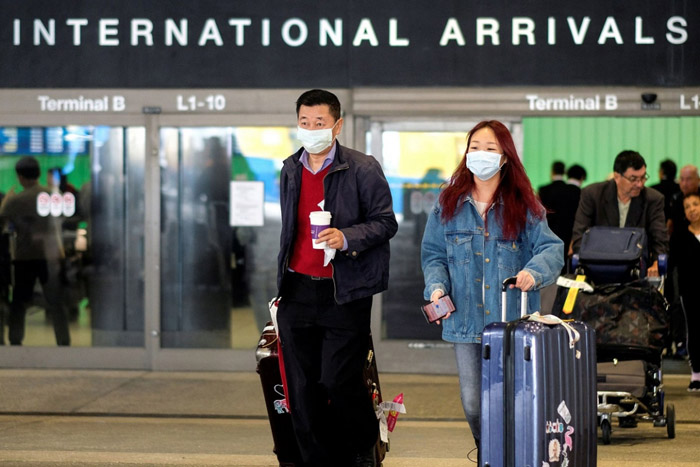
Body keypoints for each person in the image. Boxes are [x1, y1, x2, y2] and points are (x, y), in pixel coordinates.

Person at [421, 120, 563, 460]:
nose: (479, 154)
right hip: (465, 322)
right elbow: (433, 255)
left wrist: (533, 271)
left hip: (512, 323)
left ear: (504, 158)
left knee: (513, 401)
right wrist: (437, 288)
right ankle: (491, 452)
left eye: (489, 148)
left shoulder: (525, 206)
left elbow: (552, 249)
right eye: (474, 147)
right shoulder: (448, 203)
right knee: (473, 402)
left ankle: (508, 456)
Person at [276, 89, 398, 467]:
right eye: (304, 122)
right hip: (296, 288)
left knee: (338, 381)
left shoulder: (362, 167)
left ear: (337, 125)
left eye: (320, 123)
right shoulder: (290, 168)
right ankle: (317, 460)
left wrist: (347, 237)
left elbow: (385, 223)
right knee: (301, 389)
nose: (311, 129)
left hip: (344, 291)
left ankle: (363, 450)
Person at [0, 156, 70, 346]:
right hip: (51, 256)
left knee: (19, 303)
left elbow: (1, 222)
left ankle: (15, 341)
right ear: (38, 173)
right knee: (56, 303)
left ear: (20, 176)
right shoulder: (52, 195)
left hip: (25, 257)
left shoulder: (16, 200)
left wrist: (7, 199)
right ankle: (63, 342)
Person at [571, 150, 668, 277]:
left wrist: (656, 262)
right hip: (598, 265)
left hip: (635, 269)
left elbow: (659, 237)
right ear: (617, 177)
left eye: (643, 177)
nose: (640, 184)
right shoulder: (593, 194)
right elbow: (580, 234)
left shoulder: (653, 199)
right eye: (633, 179)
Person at [669, 192, 700, 391]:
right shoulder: (680, 236)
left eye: (696, 204)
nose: (692, 209)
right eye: (687, 207)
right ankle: (696, 374)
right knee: (695, 331)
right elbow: (672, 264)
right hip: (691, 291)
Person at [538, 161, 580, 270]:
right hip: (567, 230)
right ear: (564, 172)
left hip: (548, 228)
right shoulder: (570, 190)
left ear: (552, 172)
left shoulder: (544, 190)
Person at [668, 164, 700, 236]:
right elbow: (670, 224)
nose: (684, 184)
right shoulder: (676, 199)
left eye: (689, 179)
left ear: (698, 180)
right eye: (681, 179)